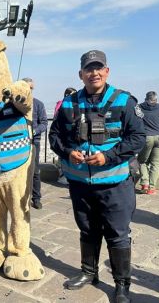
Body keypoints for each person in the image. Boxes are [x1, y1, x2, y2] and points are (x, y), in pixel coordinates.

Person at [49, 50, 145, 303]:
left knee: (118, 234)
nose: (94, 73)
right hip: (80, 183)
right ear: (80, 74)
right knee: (87, 230)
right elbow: (55, 137)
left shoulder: (124, 101)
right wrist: (68, 152)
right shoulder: (69, 103)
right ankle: (88, 273)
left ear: (107, 71)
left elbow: (137, 138)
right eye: (89, 69)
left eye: (98, 68)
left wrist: (108, 157)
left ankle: (122, 284)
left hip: (114, 184)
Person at [22, 78, 48, 209]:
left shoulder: (38, 104)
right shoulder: (16, 105)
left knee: (35, 171)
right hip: (19, 144)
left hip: (34, 143)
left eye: (31, 88)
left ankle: (36, 198)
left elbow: (44, 123)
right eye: (26, 88)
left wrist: (34, 131)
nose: (29, 90)